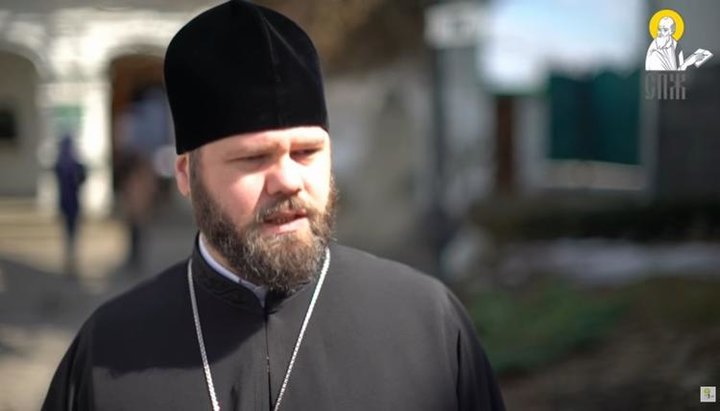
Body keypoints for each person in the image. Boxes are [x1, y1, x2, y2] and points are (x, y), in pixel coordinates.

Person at [42, 1, 505, 410]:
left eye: (306, 152)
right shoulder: (109, 350)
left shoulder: (428, 325)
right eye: (253, 158)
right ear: (186, 175)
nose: (287, 180)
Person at [53, 135, 86, 276]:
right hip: (67, 203)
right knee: (68, 233)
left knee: (72, 233)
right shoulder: (61, 165)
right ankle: (69, 261)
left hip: (72, 203)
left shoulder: (73, 165)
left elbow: (83, 178)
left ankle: (72, 260)